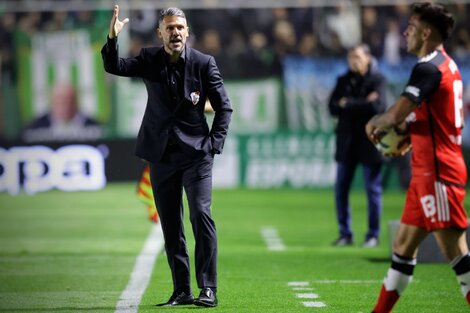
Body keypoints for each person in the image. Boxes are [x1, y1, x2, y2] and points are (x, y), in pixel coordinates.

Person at [101, 5, 232, 308]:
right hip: (160, 156)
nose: (175, 33)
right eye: (170, 28)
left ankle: (208, 288)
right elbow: (114, 67)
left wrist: (214, 143)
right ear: (160, 32)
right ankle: (182, 290)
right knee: (171, 225)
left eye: (180, 28)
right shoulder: (149, 59)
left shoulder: (203, 63)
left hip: (196, 155)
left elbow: (224, 106)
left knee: (201, 215)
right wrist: (112, 38)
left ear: (187, 32)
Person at [365, 3, 470, 312]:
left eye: (410, 26)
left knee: (457, 254)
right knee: (402, 248)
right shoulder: (445, 65)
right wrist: (411, 133)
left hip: (438, 173)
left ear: (426, 33)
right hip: (427, 172)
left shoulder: (428, 67)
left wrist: (373, 124)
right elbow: (427, 118)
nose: (405, 32)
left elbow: (397, 113)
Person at [328, 43, 387, 248]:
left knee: (373, 190)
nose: (354, 60)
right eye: (351, 57)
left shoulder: (378, 80)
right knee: (341, 189)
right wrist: (362, 103)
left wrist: (348, 104)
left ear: (368, 58)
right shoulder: (342, 80)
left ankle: (373, 235)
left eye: (358, 56)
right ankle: (345, 233)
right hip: (347, 143)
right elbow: (332, 108)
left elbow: (378, 107)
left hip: (370, 142)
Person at [21, 83, 102, 142]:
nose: (64, 105)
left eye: (69, 100)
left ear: (76, 101)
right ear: (51, 101)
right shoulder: (35, 127)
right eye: (59, 100)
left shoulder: (94, 126)